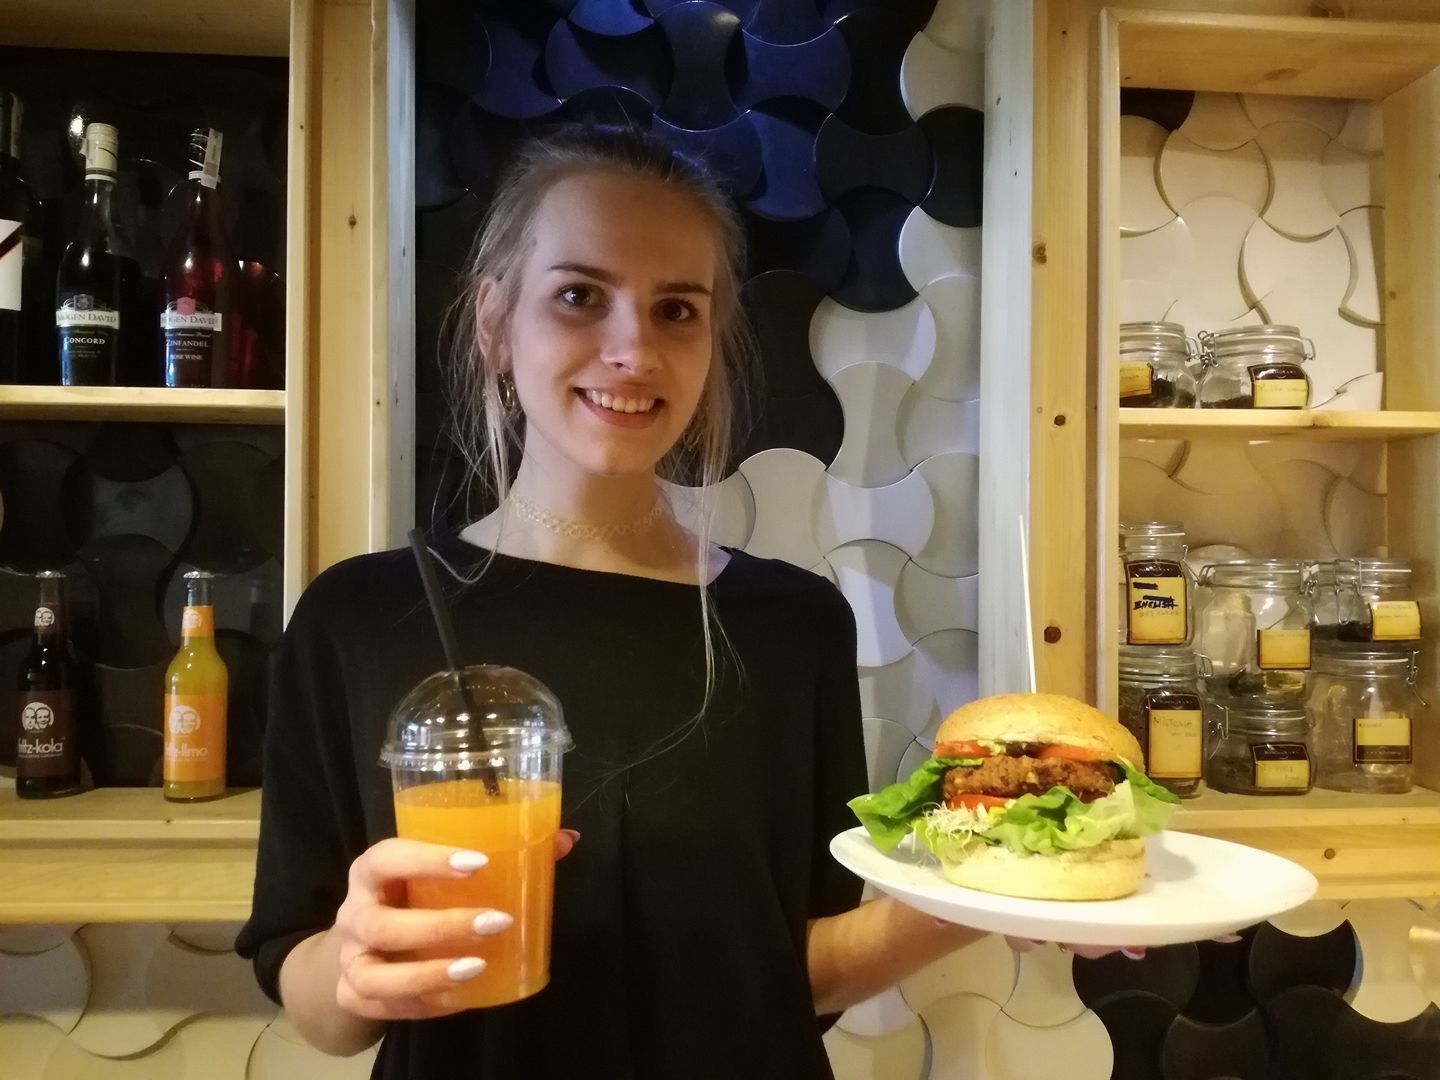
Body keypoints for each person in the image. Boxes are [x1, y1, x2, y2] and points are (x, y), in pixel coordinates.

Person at [235, 122, 1123, 1080]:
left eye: (676, 311)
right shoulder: (360, 616)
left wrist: (993, 892)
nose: (633, 349)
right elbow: (307, 985)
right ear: (495, 323)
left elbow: (798, 974)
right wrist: (356, 967)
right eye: (580, 295)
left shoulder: (796, 625)